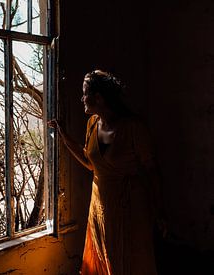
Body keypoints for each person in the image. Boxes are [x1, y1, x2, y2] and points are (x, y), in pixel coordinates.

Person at [48, 69, 166, 275]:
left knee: (127, 260)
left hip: (128, 206)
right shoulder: (92, 124)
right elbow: (91, 162)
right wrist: (63, 134)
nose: (81, 98)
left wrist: (160, 211)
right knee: (104, 256)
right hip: (100, 206)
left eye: (85, 93)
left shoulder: (133, 127)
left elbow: (152, 170)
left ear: (99, 98)